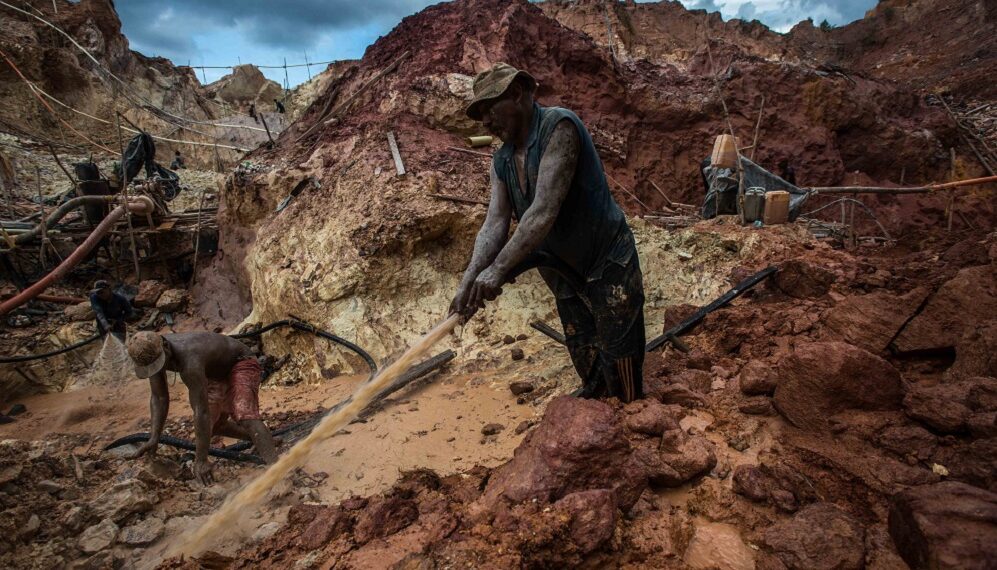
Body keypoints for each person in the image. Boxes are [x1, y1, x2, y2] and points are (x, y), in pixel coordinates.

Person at [450, 63, 646, 403]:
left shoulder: (559, 126)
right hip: (562, 273)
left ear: (517, 93)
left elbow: (542, 211)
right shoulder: (502, 160)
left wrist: (498, 269)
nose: (485, 123)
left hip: (606, 259)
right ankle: (598, 416)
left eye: (489, 110)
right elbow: (495, 222)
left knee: (621, 361)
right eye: (480, 115)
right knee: (587, 358)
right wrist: (468, 282)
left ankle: (634, 416)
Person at [125, 331, 278, 484]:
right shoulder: (153, 354)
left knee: (244, 414)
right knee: (213, 426)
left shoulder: (189, 360)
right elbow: (159, 397)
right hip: (214, 373)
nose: (159, 369)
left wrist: (201, 460)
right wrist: (154, 437)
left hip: (240, 362)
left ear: (166, 346)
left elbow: (201, 410)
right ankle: (264, 441)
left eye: (160, 363)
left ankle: (278, 470)